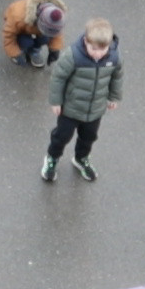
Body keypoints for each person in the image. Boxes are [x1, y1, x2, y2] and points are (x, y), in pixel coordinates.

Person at [40, 18, 124, 181]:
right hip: (70, 108)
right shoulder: (73, 56)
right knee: (62, 136)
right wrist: (56, 101)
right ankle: (52, 158)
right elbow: (58, 77)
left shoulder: (114, 57)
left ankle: (81, 158)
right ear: (86, 41)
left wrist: (114, 97)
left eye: (103, 49)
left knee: (89, 137)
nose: (98, 53)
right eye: (94, 48)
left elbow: (117, 77)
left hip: (95, 109)